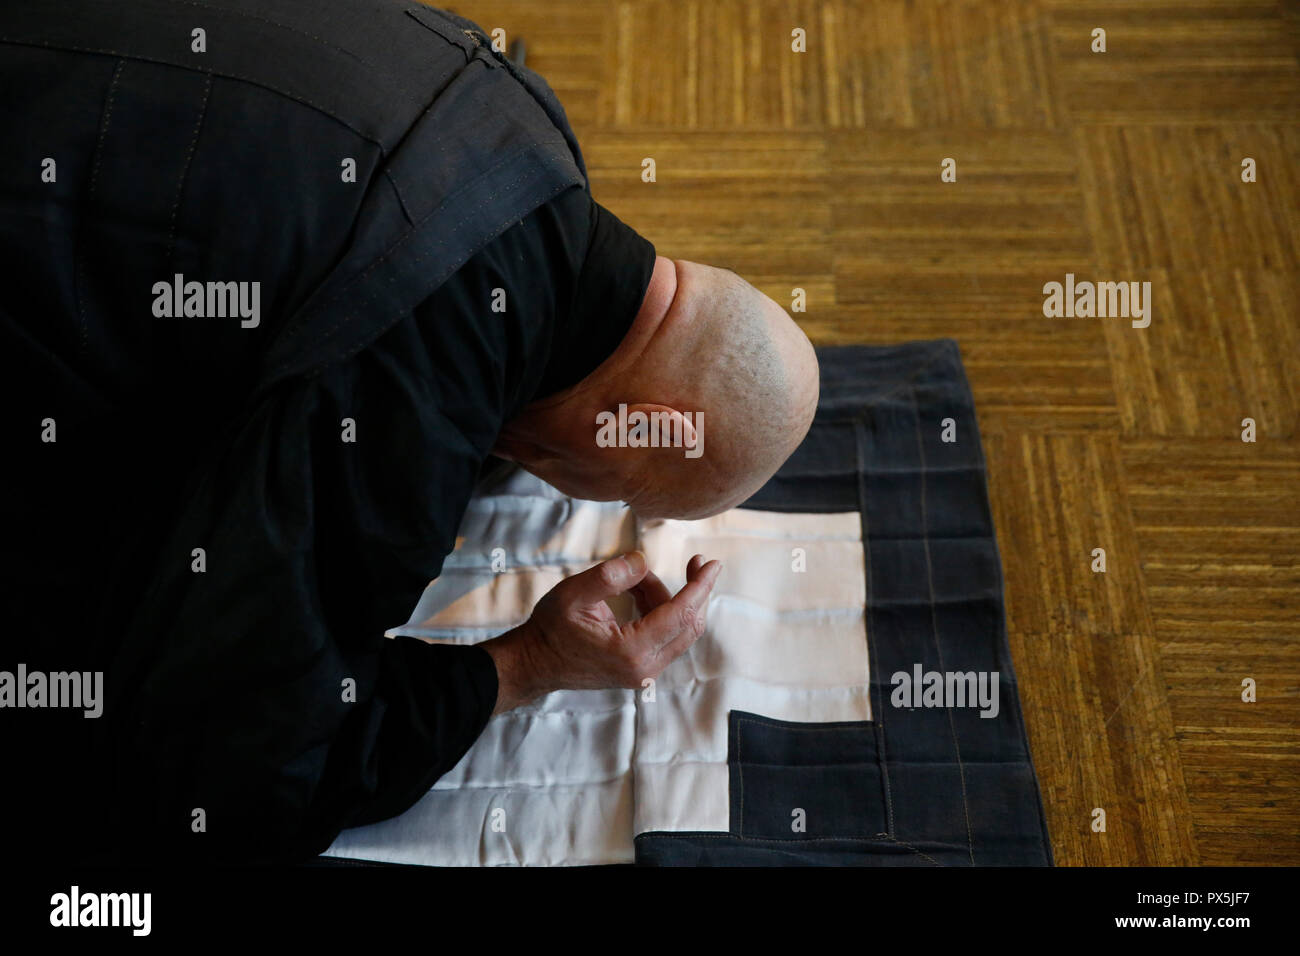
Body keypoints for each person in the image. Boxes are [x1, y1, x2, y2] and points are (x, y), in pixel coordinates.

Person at [0, 0, 817, 862]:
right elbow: (239, 763)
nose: (559, 485)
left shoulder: (526, 130)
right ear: (644, 429)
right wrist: (525, 665)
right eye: (622, 486)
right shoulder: (420, 363)